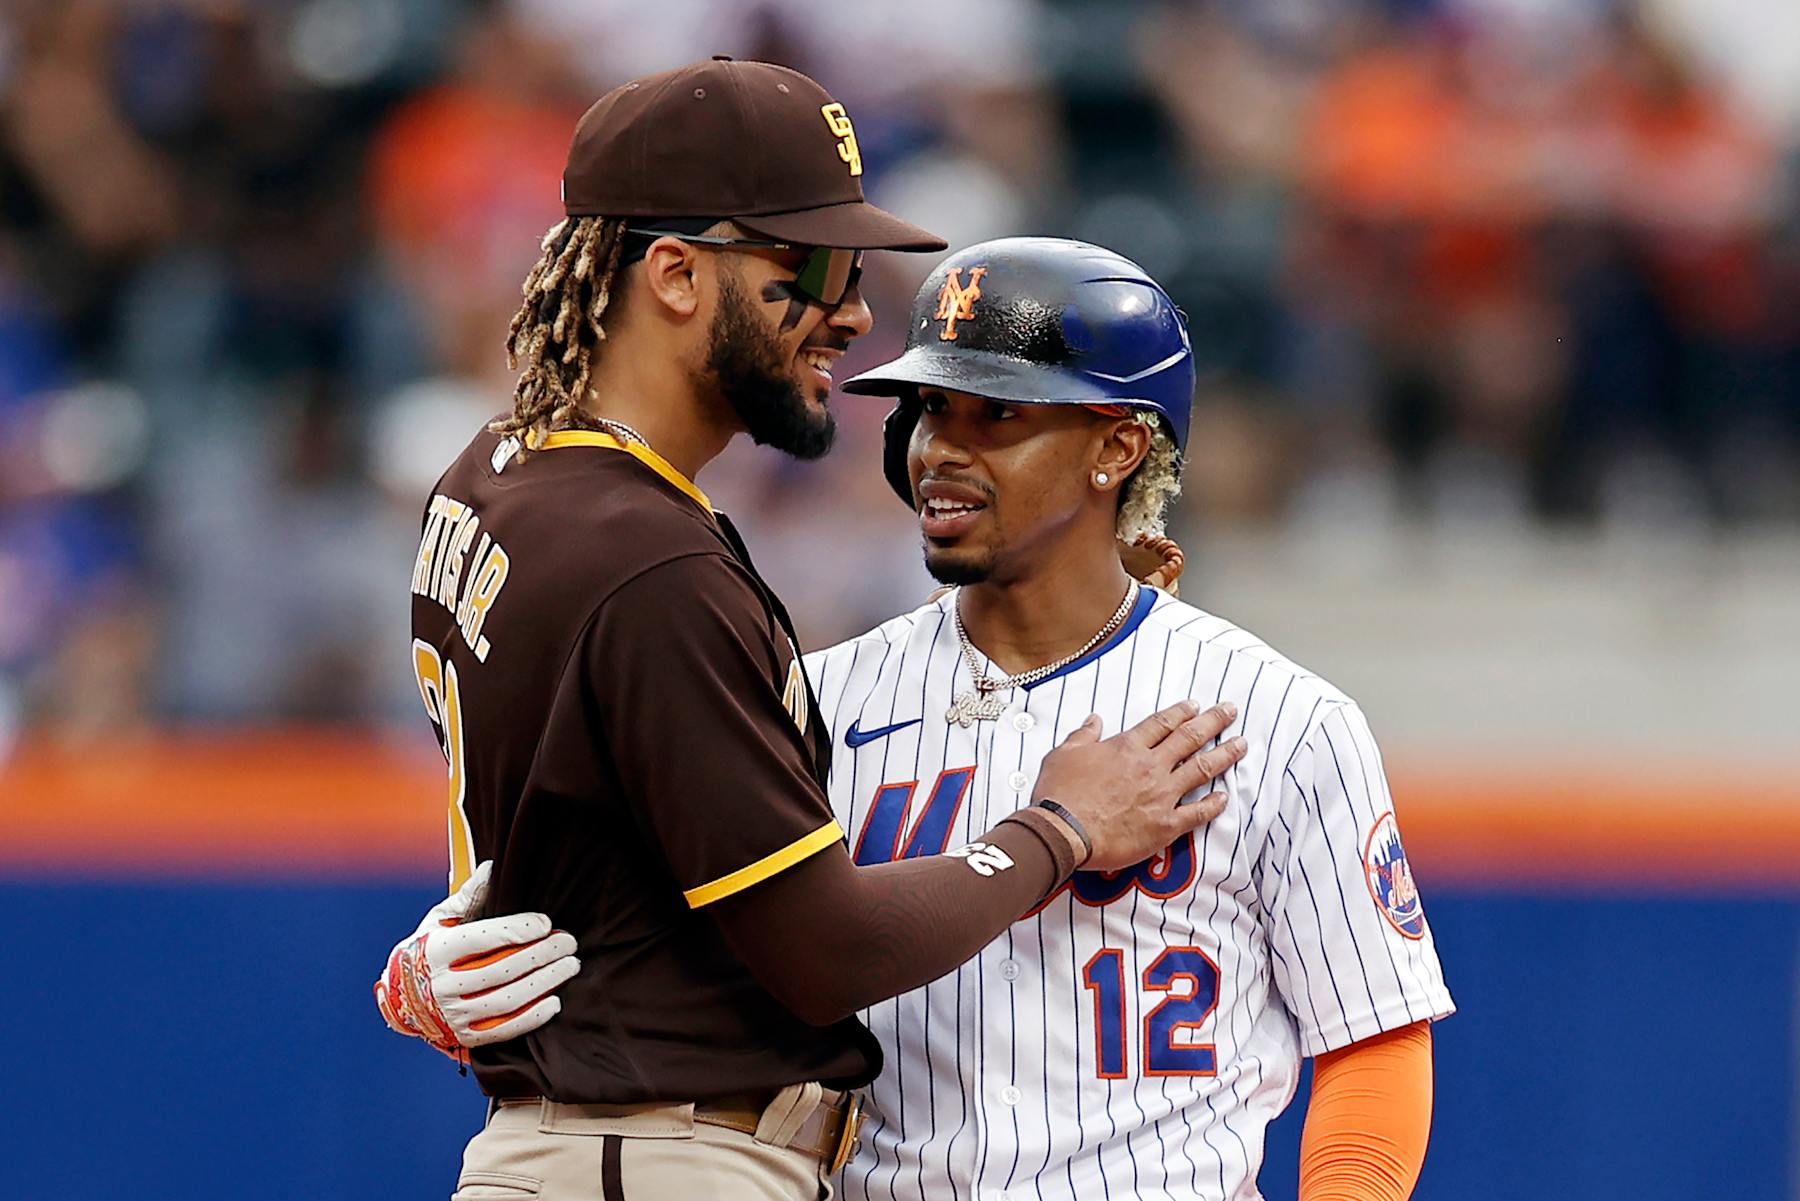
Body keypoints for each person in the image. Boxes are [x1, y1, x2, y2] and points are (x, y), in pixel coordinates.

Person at [390, 235, 1456, 1201]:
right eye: (927, 409)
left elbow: (1372, 1035)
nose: (940, 449)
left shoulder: (1278, 716)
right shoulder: (818, 694)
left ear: (1119, 447)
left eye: (997, 414)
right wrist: (437, 961)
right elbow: (638, 927)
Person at [378, 60, 1245, 1201]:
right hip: (662, 1159)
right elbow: (826, 949)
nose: (851, 311)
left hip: (576, 1144)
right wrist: (1060, 827)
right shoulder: (649, 561)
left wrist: (433, 968)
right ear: (677, 273)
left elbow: (574, 816)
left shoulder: (488, 475)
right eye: (812, 267)